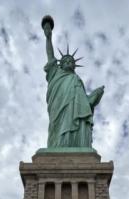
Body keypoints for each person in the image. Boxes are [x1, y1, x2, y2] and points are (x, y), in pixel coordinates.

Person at [41, 15, 104, 148]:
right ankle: (59, 146)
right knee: (57, 128)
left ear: (75, 66)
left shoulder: (77, 80)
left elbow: (83, 104)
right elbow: (50, 55)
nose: (69, 62)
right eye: (66, 61)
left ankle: (76, 146)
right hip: (58, 108)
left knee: (77, 124)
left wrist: (94, 96)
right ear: (61, 64)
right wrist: (48, 38)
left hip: (75, 112)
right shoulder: (55, 73)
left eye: (71, 61)